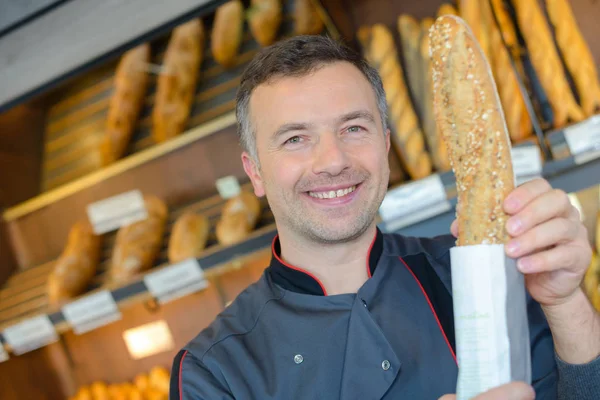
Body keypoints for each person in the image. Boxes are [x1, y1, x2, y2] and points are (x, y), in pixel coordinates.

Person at [170, 35, 600, 399]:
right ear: (255, 171)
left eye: (354, 128)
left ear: (386, 144)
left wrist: (564, 302)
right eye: (296, 138)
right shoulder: (214, 371)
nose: (333, 161)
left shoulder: (481, 266)